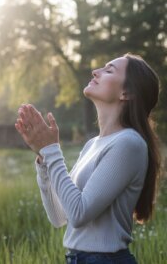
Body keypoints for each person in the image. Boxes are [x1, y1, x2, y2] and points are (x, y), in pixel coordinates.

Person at [15, 53, 161, 264]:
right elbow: (59, 217)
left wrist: (51, 150)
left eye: (109, 70)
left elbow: (79, 213)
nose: (95, 71)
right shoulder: (92, 145)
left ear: (127, 92)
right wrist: (43, 158)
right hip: (76, 259)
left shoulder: (129, 143)